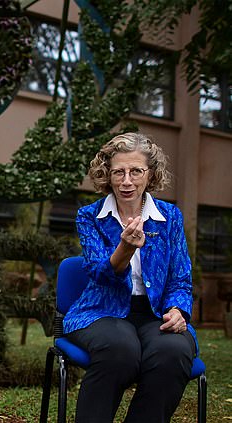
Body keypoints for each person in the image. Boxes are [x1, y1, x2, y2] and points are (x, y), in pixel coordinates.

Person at [64, 132, 198, 423]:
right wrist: (124, 248)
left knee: (173, 352)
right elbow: (100, 274)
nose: (127, 181)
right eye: (118, 172)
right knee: (120, 350)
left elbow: (181, 278)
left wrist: (177, 309)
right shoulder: (89, 216)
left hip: (154, 313)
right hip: (101, 310)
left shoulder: (170, 217)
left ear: (150, 174)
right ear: (106, 175)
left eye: (136, 171)